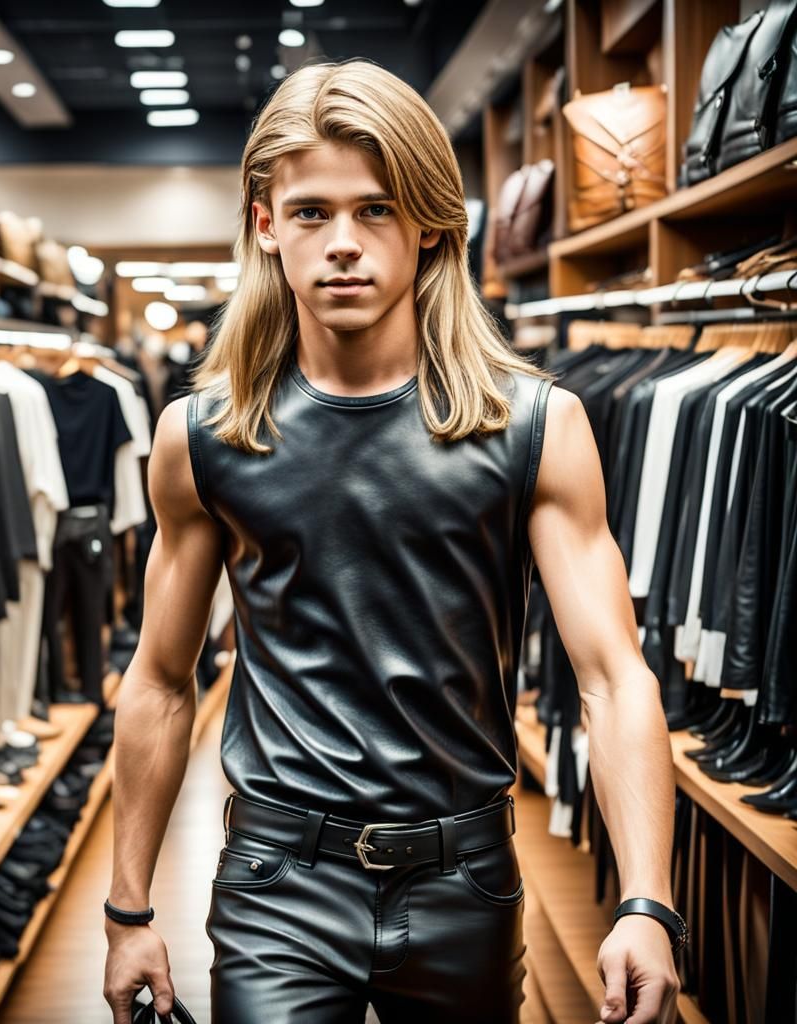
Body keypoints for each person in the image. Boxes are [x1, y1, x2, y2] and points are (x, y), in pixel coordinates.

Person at [103, 59, 684, 1024]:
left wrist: (646, 903)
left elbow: (615, 678)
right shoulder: (204, 436)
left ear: (428, 224)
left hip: (465, 879)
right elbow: (163, 681)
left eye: (376, 210)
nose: (343, 243)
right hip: (278, 884)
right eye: (311, 212)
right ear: (265, 224)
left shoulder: (535, 426)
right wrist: (127, 911)